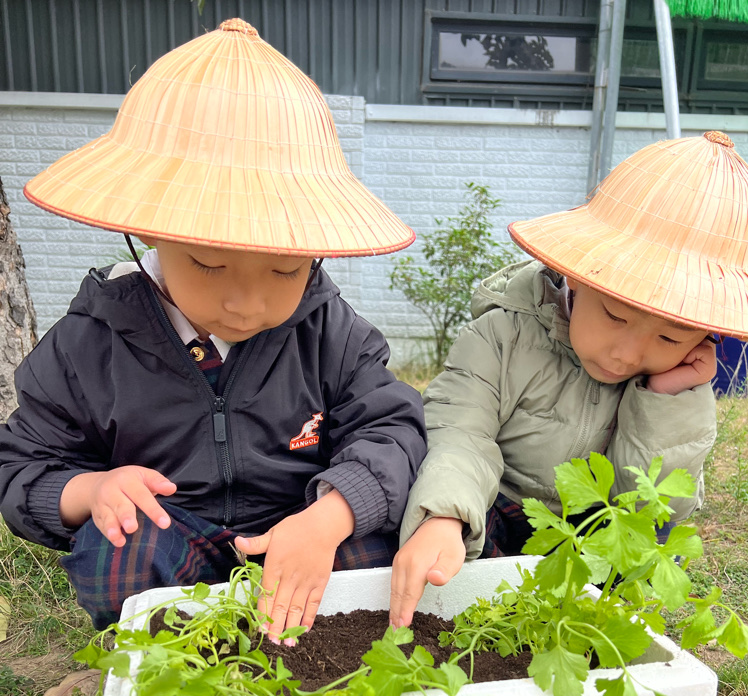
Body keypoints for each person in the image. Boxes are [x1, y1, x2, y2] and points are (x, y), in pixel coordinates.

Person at [0, 19, 427, 637]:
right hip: (176, 536)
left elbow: (393, 429)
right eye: (209, 264)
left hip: (297, 529)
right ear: (148, 230)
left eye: (284, 270)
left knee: (381, 550)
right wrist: (91, 491)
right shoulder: (89, 342)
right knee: (119, 557)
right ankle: (183, 656)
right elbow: (22, 464)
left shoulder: (329, 331)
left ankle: (303, 641)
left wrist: (331, 515)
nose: (247, 304)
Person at [390, 130, 748, 628]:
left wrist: (665, 401)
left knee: (652, 545)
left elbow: (659, 506)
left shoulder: (678, 382)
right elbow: (461, 432)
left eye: (670, 338)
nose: (626, 354)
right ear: (576, 275)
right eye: (614, 316)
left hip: (591, 530)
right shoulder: (501, 334)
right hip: (495, 505)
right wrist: (447, 514)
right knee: (416, 524)